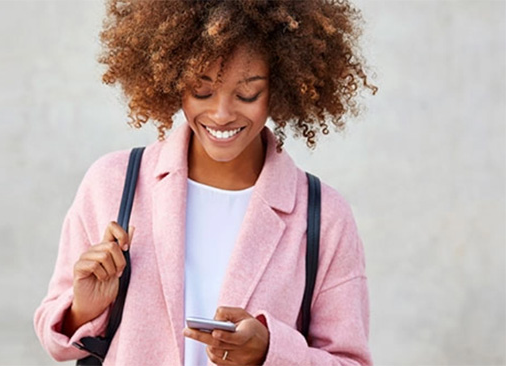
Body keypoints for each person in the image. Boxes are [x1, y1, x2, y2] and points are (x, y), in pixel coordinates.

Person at [34, 1, 377, 365]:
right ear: (173, 81)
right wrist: (83, 309)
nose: (222, 114)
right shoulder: (113, 184)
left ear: (282, 87)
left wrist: (270, 352)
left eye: (247, 93)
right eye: (201, 90)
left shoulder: (324, 217)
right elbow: (55, 339)